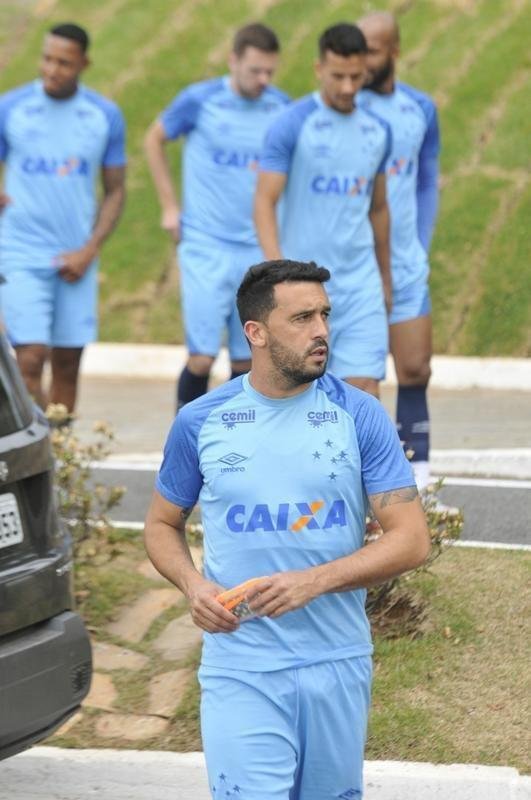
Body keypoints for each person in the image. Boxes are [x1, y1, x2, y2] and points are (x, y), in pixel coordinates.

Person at [144, 259, 430, 798]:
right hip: (241, 665)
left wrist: (312, 582)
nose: (321, 330)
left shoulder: (360, 415)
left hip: (338, 660)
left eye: (324, 315)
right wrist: (192, 585)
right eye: (302, 318)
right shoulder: (201, 421)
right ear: (256, 332)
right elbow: (161, 524)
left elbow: (411, 539)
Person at [144, 22, 289, 411]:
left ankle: (233, 438)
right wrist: (170, 206)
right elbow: (154, 139)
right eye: (255, 70)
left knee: (247, 360)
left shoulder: (281, 108)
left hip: (256, 249)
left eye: (269, 72)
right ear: (233, 60)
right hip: (205, 245)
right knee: (202, 357)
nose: (263, 80)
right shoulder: (200, 100)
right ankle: (184, 437)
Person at [255, 23, 392, 399]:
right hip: (303, 287)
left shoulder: (379, 130)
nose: (348, 87)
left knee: (364, 392)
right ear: (319, 69)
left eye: (356, 76)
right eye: (338, 76)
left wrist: (385, 279)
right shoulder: (291, 124)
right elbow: (264, 202)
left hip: (360, 285)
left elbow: (379, 208)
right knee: (303, 396)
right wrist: (277, 275)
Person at [0, 23, 126, 414]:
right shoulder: (11, 108)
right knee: (29, 360)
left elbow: (116, 191)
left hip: (76, 258)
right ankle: (36, 449)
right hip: (20, 252)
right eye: (47, 59)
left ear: (84, 64)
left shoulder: (104, 116)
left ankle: (62, 451)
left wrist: (90, 249)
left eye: (64, 63)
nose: (52, 70)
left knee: (68, 366)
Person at [357, 11, 440, 490]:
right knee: (359, 381)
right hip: (356, 266)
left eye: (370, 50)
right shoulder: (347, 107)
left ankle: (420, 483)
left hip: (406, 264)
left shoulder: (420, 108)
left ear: (394, 52)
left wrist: (420, 241)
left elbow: (427, 180)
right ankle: (364, 487)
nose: (361, 61)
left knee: (414, 368)